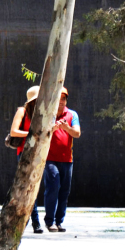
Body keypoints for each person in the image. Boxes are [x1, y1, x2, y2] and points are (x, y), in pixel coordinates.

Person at [44, 87, 80, 232]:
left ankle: (59, 222)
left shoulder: (72, 114)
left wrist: (66, 128)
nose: (61, 102)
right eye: (58, 99)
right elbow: (39, 133)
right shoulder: (48, 114)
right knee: (53, 186)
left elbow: (77, 133)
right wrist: (50, 130)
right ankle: (49, 221)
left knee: (64, 191)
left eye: (63, 99)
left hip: (67, 159)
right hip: (50, 158)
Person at [9, 86, 43, 233]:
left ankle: (30, 220)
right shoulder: (22, 111)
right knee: (26, 188)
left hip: (39, 153)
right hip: (24, 153)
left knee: (34, 187)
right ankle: (35, 222)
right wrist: (31, 133)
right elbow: (14, 131)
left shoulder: (42, 112)